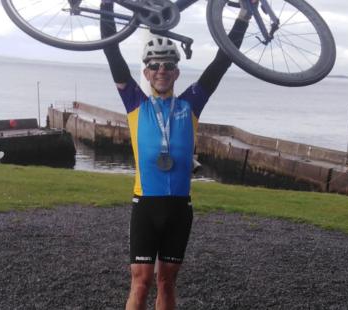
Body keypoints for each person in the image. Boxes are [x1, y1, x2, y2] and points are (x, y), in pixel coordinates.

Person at [100, 1, 256, 309]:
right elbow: (111, 52)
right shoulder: (135, 104)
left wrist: (244, 16)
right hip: (145, 204)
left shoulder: (190, 105)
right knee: (141, 282)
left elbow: (223, 60)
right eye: (155, 66)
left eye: (168, 66)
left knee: (167, 283)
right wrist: (107, 5)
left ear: (176, 72)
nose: (161, 71)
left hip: (179, 207)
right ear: (146, 71)